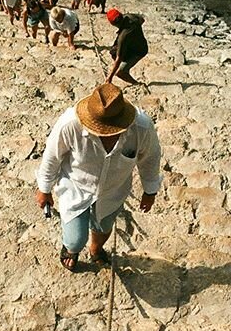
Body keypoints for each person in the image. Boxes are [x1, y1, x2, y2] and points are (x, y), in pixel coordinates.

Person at [35, 83, 161, 271]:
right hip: (76, 187)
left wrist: (150, 191)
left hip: (114, 190)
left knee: (103, 227)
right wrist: (44, 189)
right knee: (75, 240)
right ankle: (71, 249)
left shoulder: (142, 127)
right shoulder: (69, 124)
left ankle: (96, 249)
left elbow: (150, 158)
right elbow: (52, 156)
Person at [105, 8, 148, 85]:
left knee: (120, 72)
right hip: (141, 43)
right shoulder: (130, 17)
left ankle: (136, 83)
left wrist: (110, 77)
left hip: (140, 51)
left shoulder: (123, 37)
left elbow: (118, 59)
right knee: (114, 50)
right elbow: (142, 20)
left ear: (112, 24)